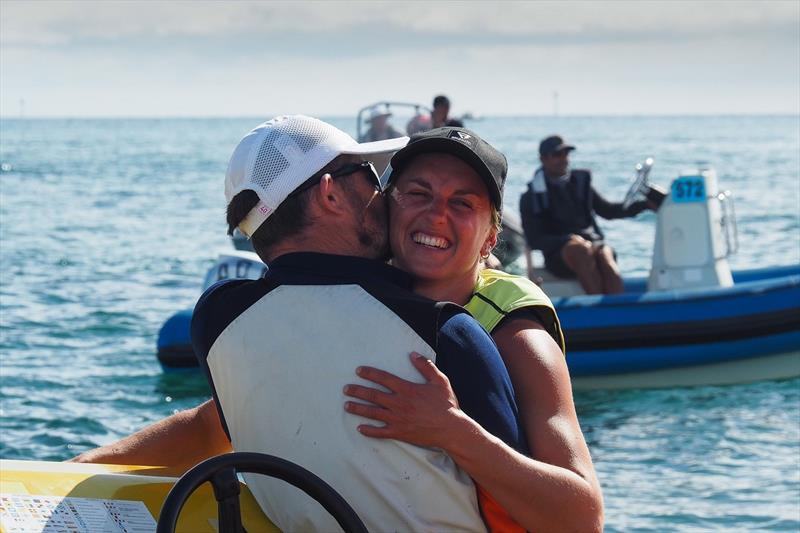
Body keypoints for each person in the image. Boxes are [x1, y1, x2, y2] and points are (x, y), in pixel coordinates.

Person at [73, 115, 529, 532]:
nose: (382, 194)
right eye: (370, 177)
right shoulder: (445, 334)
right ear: (330, 193)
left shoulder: (217, 323)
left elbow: (215, 425)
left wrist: (79, 467)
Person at [342, 127, 604, 531]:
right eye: (418, 193)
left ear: (490, 239)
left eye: (462, 203)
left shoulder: (518, 337)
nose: (435, 214)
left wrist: (450, 430)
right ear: (388, 206)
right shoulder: (349, 301)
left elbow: (583, 518)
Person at [520, 135, 664, 294]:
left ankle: (619, 309)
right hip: (559, 255)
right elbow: (535, 240)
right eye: (557, 155)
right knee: (580, 251)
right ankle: (599, 309)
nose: (563, 159)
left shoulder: (581, 183)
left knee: (605, 255)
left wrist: (643, 206)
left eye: (566, 154)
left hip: (592, 244)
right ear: (543, 159)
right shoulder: (531, 197)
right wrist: (567, 239)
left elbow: (608, 211)